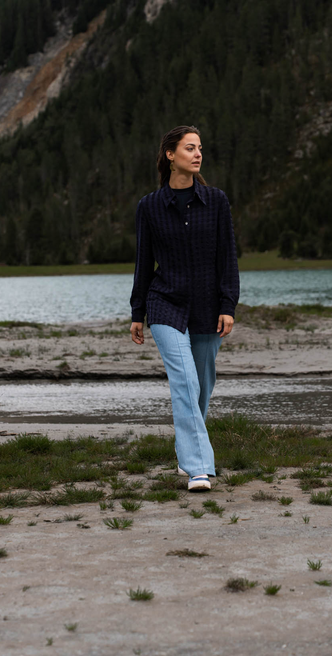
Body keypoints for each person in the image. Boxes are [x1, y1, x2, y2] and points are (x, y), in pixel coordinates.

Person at [130, 125, 240, 491]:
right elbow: (143, 262)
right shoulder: (149, 207)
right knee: (185, 380)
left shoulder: (217, 201)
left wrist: (228, 304)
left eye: (200, 148)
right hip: (164, 303)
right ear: (169, 155)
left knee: (202, 385)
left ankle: (185, 452)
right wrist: (137, 312)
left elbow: (228, 258)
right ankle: (198, 468)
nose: (197, 154)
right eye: (189, 148)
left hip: (209, 304)